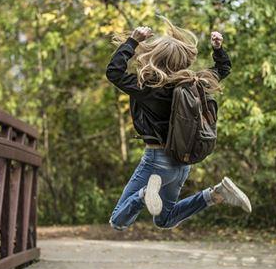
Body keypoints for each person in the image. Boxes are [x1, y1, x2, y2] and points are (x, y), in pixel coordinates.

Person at [106, 17, 252, 231]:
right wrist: (218, 49)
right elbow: (223, 69)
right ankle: (216, 194)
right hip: (182, 162)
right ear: (182, 60)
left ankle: (145, 194)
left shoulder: (147, 87)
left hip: (156, 161)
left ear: (155, 57)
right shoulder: (195, 84)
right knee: (165, 220)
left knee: (118, 221)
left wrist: (132, 41)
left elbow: (114, 72)